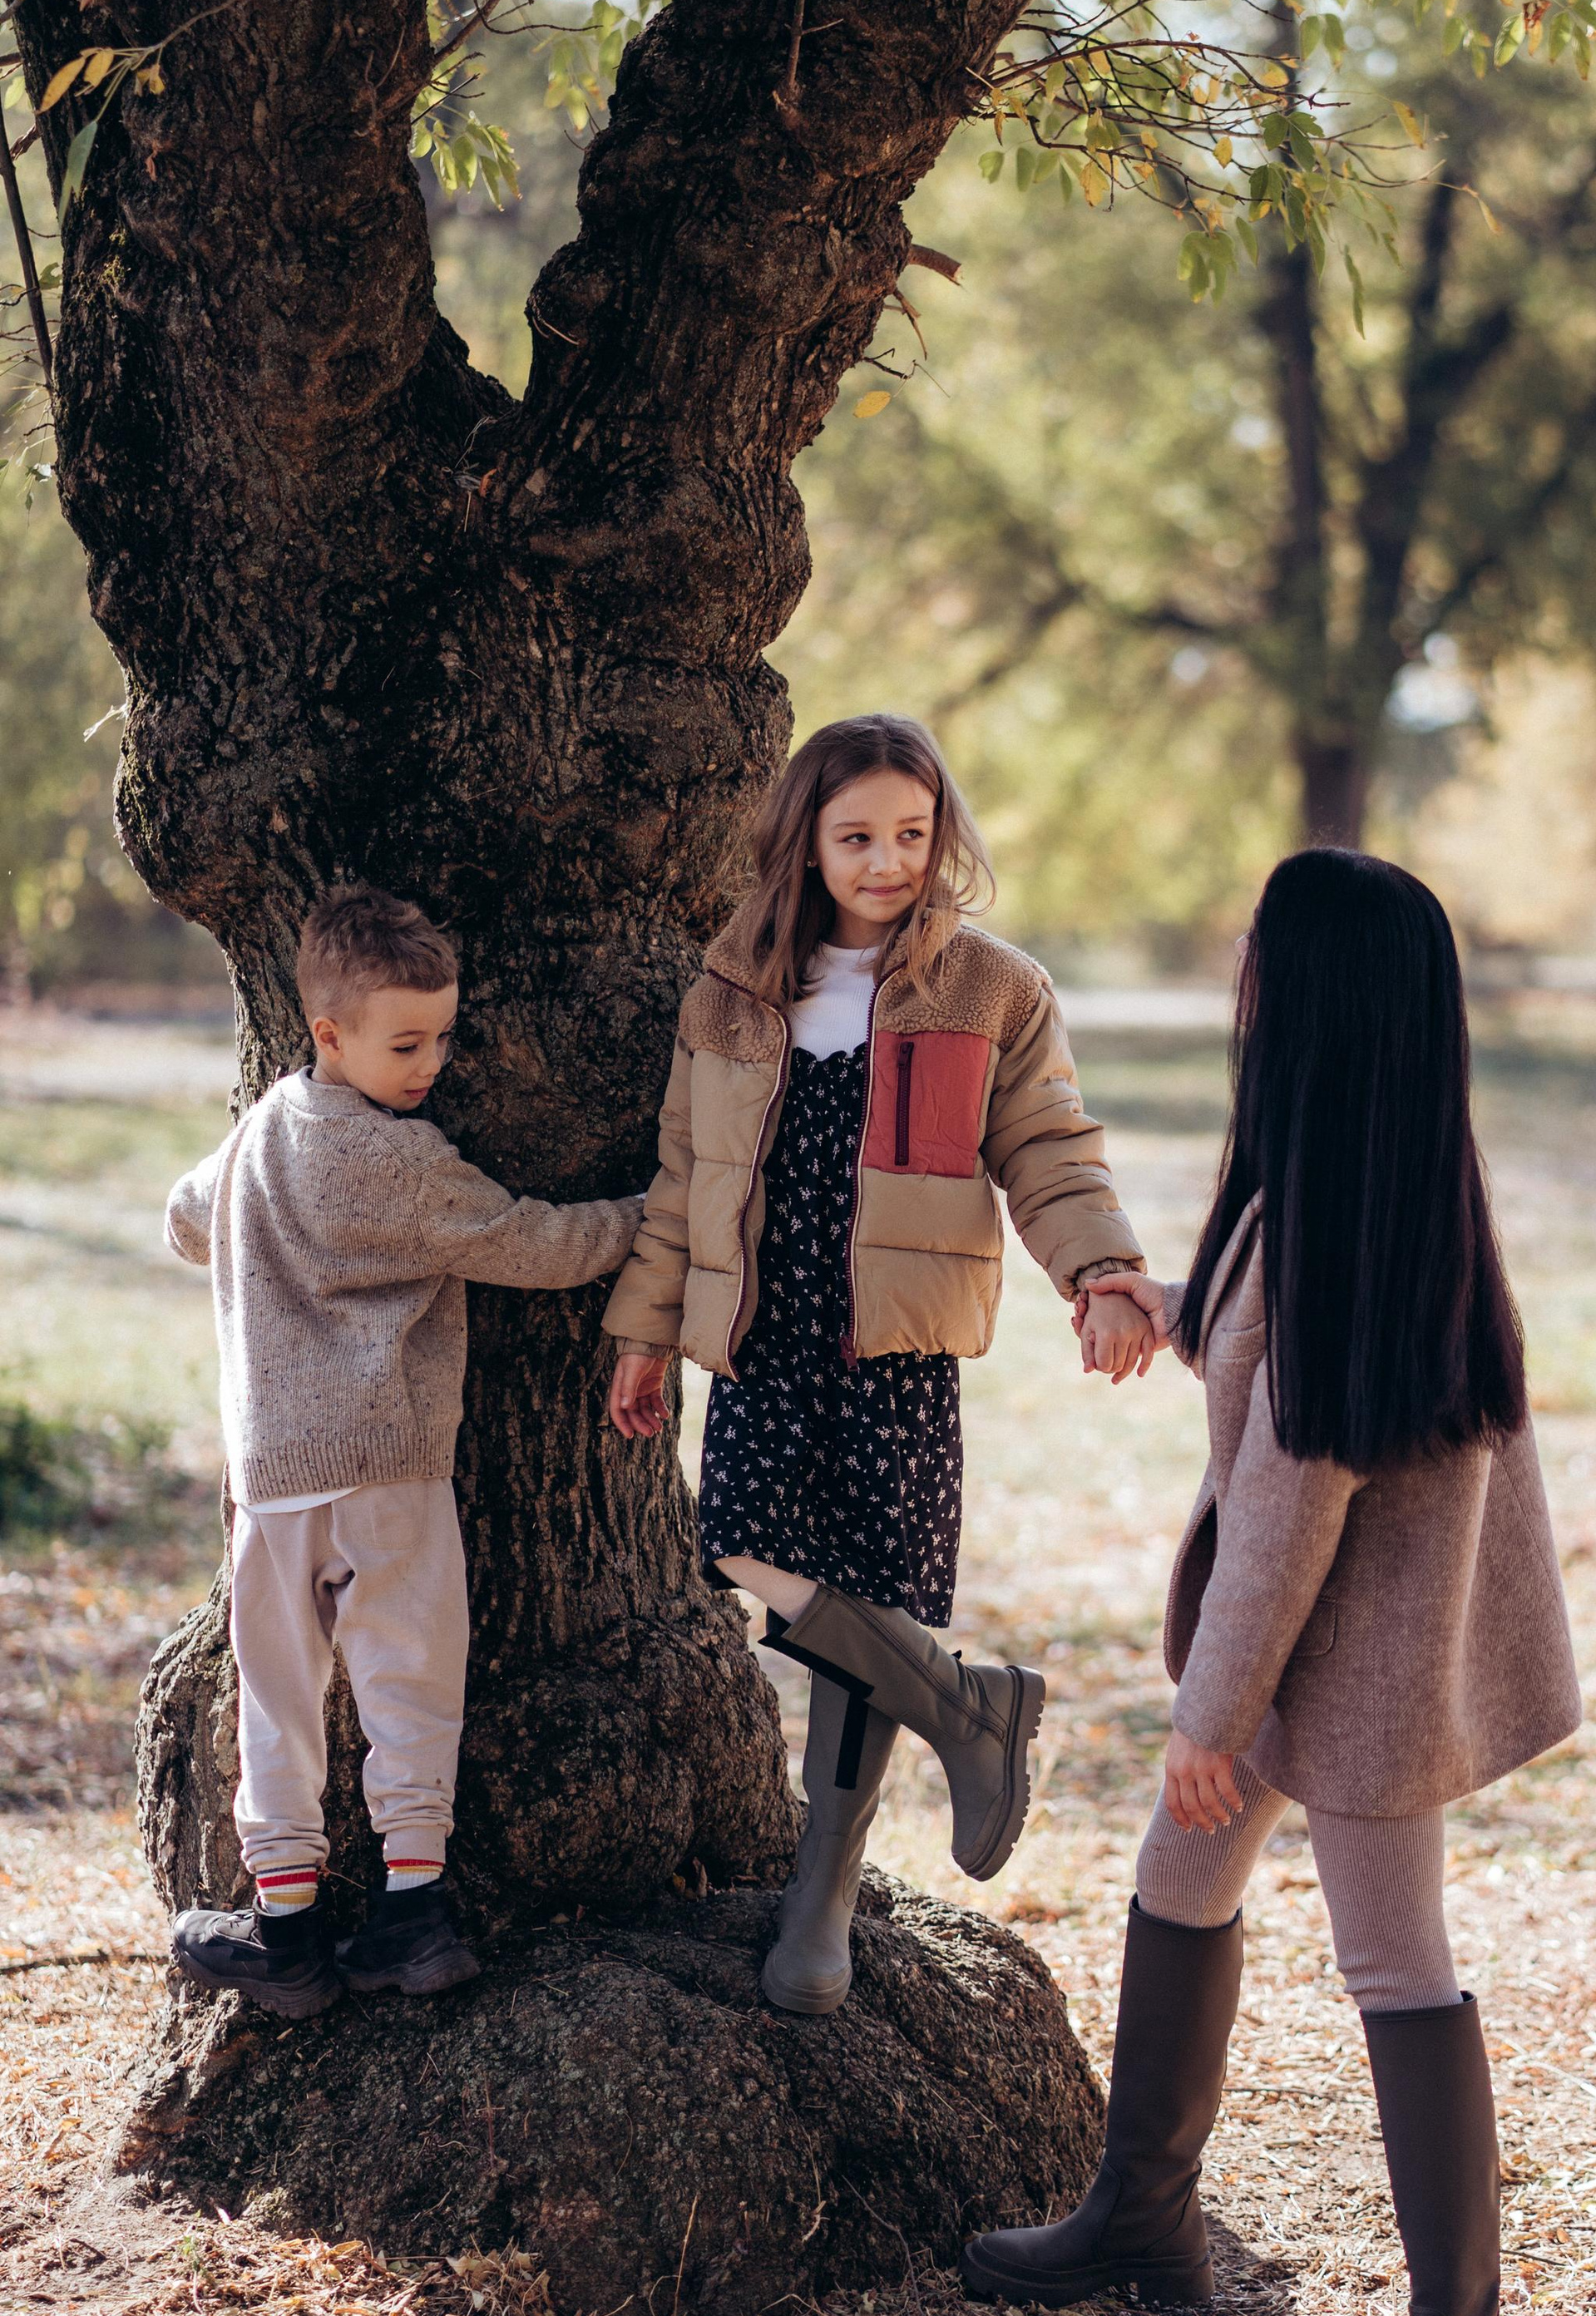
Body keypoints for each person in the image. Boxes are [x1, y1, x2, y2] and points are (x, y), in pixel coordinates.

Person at [962, 849, 1581, 2316]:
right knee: (1180, 1880)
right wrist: (1156, 1306)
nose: (1238, 987)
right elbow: (1272, 1373)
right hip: (1308, 1651)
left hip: (1350, 1678)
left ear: (1302, 1009)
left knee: (1395, 1965)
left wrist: (1206, 1711)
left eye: (1254, 966)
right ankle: (1140, 2213)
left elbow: (1284, 1510)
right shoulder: (1349, 1184)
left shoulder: (1333, 1226)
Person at [604, 712, 1158, 2015]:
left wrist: (1101, 1271)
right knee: (737, 1543)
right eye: (858, 836)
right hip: (759, 1333)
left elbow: (1051, 1148)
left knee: (872, 1602)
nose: (888, 859)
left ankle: (821, 1908)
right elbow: (684, 1181)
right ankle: (973, 1708)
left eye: (913, 834)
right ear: (806, 843)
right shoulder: (731, 993)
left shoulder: (993, 989)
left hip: (893, 1344)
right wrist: (643, 1330)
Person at [164, 884, 643, 2020]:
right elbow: (534, 1241)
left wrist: (252, 1227)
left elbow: (185, 1219)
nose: (430, 1064)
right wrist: (649, 1218)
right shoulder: (406, 1162)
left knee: (279, 1700)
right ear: (329, 1033)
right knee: (409, 1685)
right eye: (406, 1042)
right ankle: (411, 1917)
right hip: (390, 1469)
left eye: (442, 1035)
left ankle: (286, 1936)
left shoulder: (262, 1130)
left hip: (275, 1481)